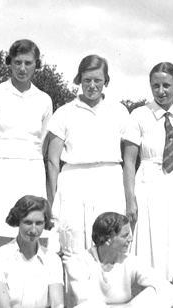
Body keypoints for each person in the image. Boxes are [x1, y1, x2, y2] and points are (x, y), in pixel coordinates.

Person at [123, 62, 173, 280]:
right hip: (149, 184)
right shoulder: (139, 115)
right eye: (155, 86)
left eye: (166, 85)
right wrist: (130, 199)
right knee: (152, 243)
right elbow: (129, 161)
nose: (161, 91)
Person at [0, 39, 53, 251]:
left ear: (36, 64)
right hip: (0, 170)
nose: (22, 68)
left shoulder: (44, 99)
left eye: (28, 62)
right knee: (0, 233)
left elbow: (42, 143)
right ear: (9, 63)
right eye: (17, 62)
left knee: (33, 231)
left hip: (31, 169)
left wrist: (29, 162)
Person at [47, 55, 128, 252]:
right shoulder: (64, 112)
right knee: (73, 238)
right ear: (79, 80)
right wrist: (52, 199)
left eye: (98, 80)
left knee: (110, 236)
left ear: (106, 81)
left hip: (110, 179)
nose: (92, 85)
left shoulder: (119, 111)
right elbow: (52, 160)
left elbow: (129, 158)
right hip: (73, 180)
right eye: (87, 80)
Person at [64, 212, 173, 307]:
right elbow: (85, 302)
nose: (130, 239)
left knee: (158, 290)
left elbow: (167, 288)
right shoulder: (78, 262)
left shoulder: (130, 261)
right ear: (107, 240)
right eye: (125, 235)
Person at [0, 195, 64, 308]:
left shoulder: (53, 260)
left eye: (39, 223)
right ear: (18, 222)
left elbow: (58, 304)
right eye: (28, 222)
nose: (33, 230)